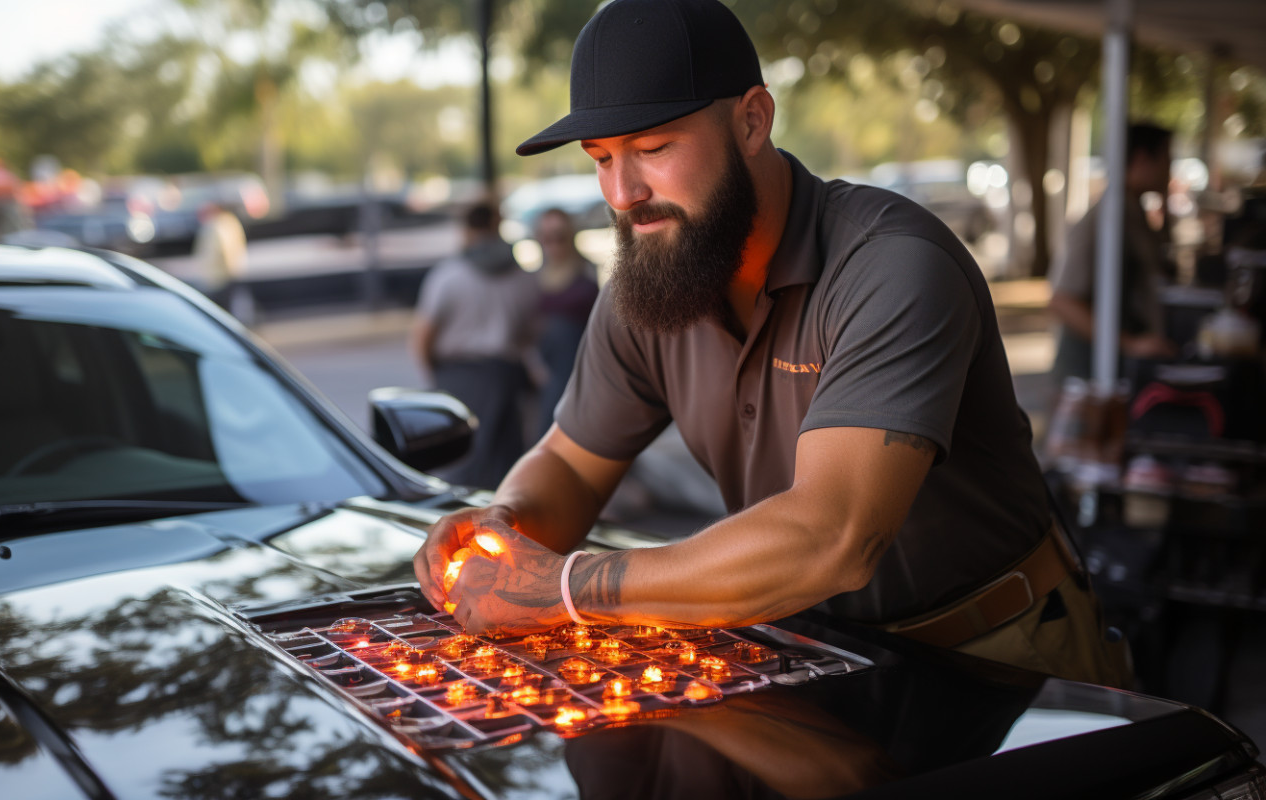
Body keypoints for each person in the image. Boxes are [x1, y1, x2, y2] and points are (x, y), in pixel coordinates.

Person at [414, 0, 1130, 687]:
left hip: (998, 657)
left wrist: (567, 587)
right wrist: (502, 529)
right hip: (808, 652)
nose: (623, 192)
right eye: (601, 158)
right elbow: (569, 465)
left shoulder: (892, 264)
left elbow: (831, 537)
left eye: (654, 147)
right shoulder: (653, 273)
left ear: (753, 121)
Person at [411, 201, 540, 489]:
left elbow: (422, 337)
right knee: (506, 469)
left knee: (459, 466)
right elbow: (531, 333)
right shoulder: (522, 277)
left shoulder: (448, 276)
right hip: (506, 375)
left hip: (457, 377)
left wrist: (435, 377)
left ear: (467, 230)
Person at [1048, 124, 1178, 383]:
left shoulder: (1134, 212)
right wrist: (1130, 344)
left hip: (1112, 371)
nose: (1170, 170)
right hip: (1087, 378)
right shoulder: (1103, 219)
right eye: (1166, 160)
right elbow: (1062, 301)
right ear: (1142, 159)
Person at [532, 207, 599, 437]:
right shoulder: (532, 278)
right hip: (544, 370)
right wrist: (533, 363)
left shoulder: (587, 272)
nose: (554, 245)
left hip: (578, 367)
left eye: (560, 237)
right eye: (547, 238)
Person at [192, 202, 255, 325]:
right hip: (227, 272)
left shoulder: (217, 225)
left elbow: (223, 249)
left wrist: (229, 270)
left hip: (219, 275)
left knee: (221, 311)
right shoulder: (229, 222)